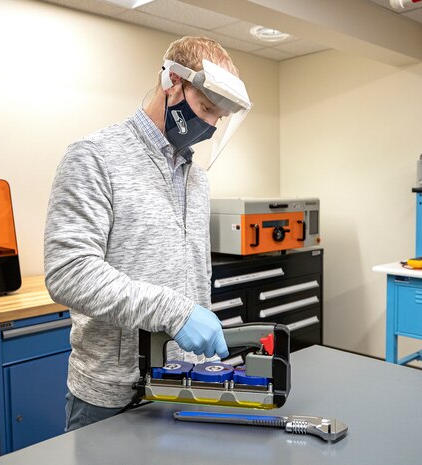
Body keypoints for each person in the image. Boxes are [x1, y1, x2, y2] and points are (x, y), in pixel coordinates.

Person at [43, 36, 252, 432]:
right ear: (172, 80)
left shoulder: (197, 180)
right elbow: (69, 272)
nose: (208, 125)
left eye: (218, 118)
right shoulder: (94, 157)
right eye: (206, 108)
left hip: (185, 386)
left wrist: (206, 362)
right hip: (112, 396)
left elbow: (191, 279)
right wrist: (177, 312)